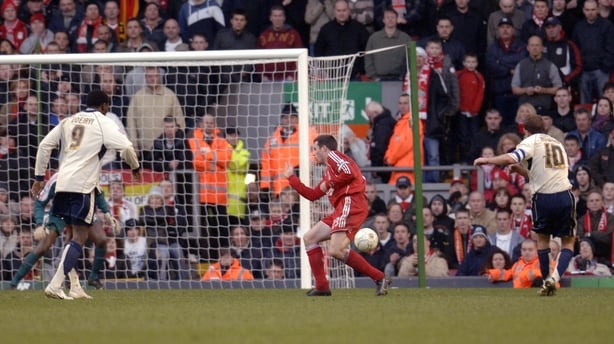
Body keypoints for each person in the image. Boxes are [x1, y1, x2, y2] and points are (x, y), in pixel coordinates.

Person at [32, 89, 140, 300]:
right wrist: (135, 167)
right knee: (80, 237)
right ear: (104, 105)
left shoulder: (69, 121)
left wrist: (38, 177)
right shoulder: (103, 121)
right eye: (108, 105)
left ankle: (74, 286)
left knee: (72, 235)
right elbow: (126, 147)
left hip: (62, 184)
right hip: (82, 186)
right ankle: (55, 284)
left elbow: (44, 146)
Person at [474, 113, 576, 296]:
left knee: (543, 241)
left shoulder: (531, 142)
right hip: (564, 196)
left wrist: (488, 160)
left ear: (524, 130)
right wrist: (521, 171)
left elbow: (511, 157)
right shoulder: (557, 144)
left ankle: (546, 280)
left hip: (543, 198)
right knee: (568, 243)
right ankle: (554, 278)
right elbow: (541, 175)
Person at [283, 134, 391, 296]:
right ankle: (322, 286)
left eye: (315, 149)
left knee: (335, 250)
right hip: (342, 208)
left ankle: (379, 277)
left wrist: (330, 183)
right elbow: (312, 195)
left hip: (351, 203)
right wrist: (292, 178)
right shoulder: (328, 173)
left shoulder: (334, 156)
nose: (314, 153)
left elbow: (350, 173)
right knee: (309, 238)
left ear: (325, 149)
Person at [9, 172, 120, 291]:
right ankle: (14, 282)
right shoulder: (57, 179)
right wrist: (39, 224)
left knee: (102, 240)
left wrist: (107, 214)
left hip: (83, 211)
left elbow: (99, 195)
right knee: (43, 247)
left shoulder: (88, 174)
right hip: (60, 212)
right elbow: (40, 203)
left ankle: (93, 277)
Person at [364, 7, 411, 81]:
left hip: (400, 79)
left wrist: (404, 76)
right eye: (387, 17)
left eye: (393, 17)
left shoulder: (405, 38)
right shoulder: (374, 38)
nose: (390, 20)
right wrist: (373, 76)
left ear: (397, 19)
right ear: (383, 20)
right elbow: (368, 58)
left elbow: (410, 58)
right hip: (379, 79)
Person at [576, 190, 614, 266]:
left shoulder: (610, 218)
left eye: (597, 200)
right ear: (587, 204)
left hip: (605, 256)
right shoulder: (581, 220)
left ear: (602, 203)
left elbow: (608, 238)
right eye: (591, 201)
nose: (594, 203)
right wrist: (599, 236)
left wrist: (590, 234)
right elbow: (580, 238)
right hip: (586, 257)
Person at [364, 100, 395, 183]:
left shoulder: (383, 126)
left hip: (383, 167)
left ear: (376, 113)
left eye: (370, 117)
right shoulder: (383, 123)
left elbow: (379, 147)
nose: (370, 120)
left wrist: (376, 167)